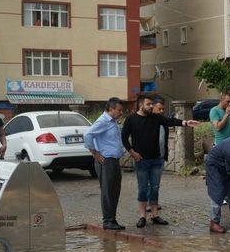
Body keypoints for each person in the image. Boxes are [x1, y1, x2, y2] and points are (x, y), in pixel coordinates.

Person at [122, 95, 199, 228]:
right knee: (142, 188)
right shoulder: (131, 119)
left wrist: (185, 123)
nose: (151, 106)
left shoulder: (155, 117)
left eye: (152, 104)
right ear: (141, 105)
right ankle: (142, 216)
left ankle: (155, 215)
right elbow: (123, 137)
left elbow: (170, 121)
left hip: (156, 159)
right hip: (141, 161)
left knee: (155, 187)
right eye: (148, 104)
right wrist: (132, 152)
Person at [84, 97, 126, 230]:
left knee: (114, 191)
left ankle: (112, 220)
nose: (121, 113)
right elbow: (87, 135)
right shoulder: (103, 121)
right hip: (106, 161)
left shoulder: (112, 122)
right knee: (108, 191)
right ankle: (107, 221)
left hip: (113, 160)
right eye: (119, 110)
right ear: (111, 109)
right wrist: (95, 153)